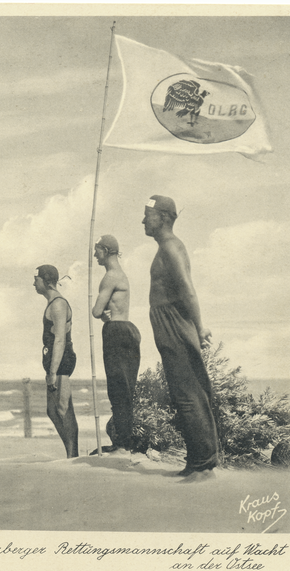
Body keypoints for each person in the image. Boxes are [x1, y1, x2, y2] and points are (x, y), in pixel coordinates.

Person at [142, 195, 218, 478]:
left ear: (163, 217)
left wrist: (199, 327)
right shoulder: (165, 248)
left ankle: (203, 466)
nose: (142, 220)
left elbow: (187, 289)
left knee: (188, 394)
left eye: (147, 214)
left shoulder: (171, 248)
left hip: (174, 322)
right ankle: (197, 463)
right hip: (168, 322)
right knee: (184, 393)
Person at [92, 235, 141, 455]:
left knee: (118, 390)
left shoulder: (110, 277)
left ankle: (122, 445)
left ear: (106, 250)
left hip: (116, 332)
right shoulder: (121, 275)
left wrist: (101, 315)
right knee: (125, 389)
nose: (95, 255)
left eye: (97, 251)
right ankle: (124, 441)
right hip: (128, 330)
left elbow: (96, 310)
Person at [34, 265, 78, 458]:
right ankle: (71, 453)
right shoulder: (52, 302)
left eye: (36, 279)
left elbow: (60, 339)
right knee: (53, 410)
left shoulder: (58, 304)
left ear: (47, 280)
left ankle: (73, 455)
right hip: (55, 361)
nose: (34, 282)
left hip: (61, 362)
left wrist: (52, 373)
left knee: (63, 409)